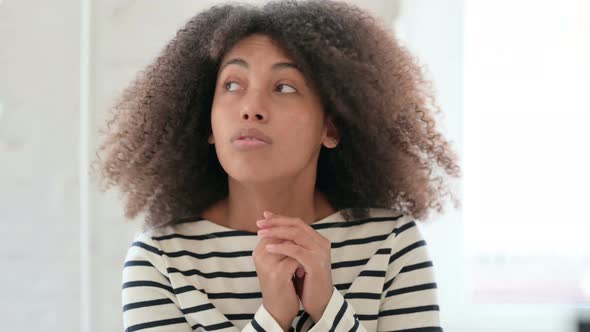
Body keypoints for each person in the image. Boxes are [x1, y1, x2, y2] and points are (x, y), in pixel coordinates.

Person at [91, 0, 462, 331]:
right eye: (232, 85)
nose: (250, 107)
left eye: (284, 87)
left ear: (329, 126)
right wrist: (272, 318)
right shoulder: (160, 261)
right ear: (208, 124)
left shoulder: (392, 244)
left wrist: (328, 308)